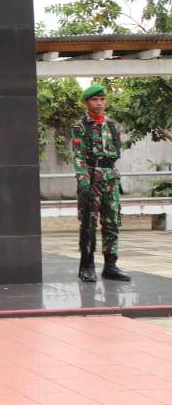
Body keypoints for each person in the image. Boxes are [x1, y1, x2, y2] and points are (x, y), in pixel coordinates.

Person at [72, 85, 129, 282]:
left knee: (112, 221)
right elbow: (78, 157)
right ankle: (87, 266)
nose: (100, 103)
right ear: (86, 102)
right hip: (91, 178)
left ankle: (111, 265)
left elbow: (117, 152)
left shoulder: (113, 125)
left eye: (102, 99)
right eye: (95, 100)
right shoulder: (80, 126)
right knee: (88, 223)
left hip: (110, 178)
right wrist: (84, 181)